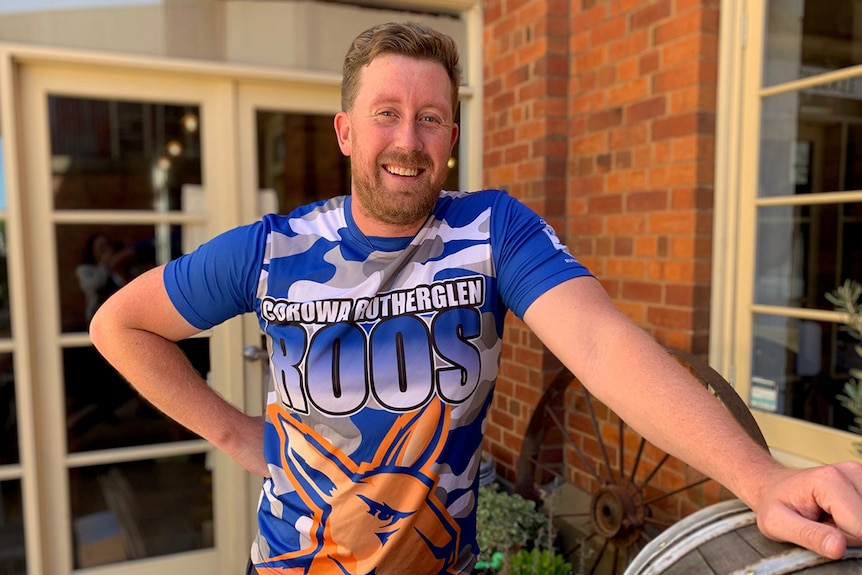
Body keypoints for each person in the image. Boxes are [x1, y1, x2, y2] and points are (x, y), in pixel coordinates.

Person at [89, 21, 862, 575]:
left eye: (430, 119)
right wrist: (230, 432)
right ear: (347, 131)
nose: (408, 140)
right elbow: (118, 323)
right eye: (386, 114)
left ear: (451, 137)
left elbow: (600, 344)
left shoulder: (492, 232)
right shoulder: (273, 250)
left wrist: (760, 479)